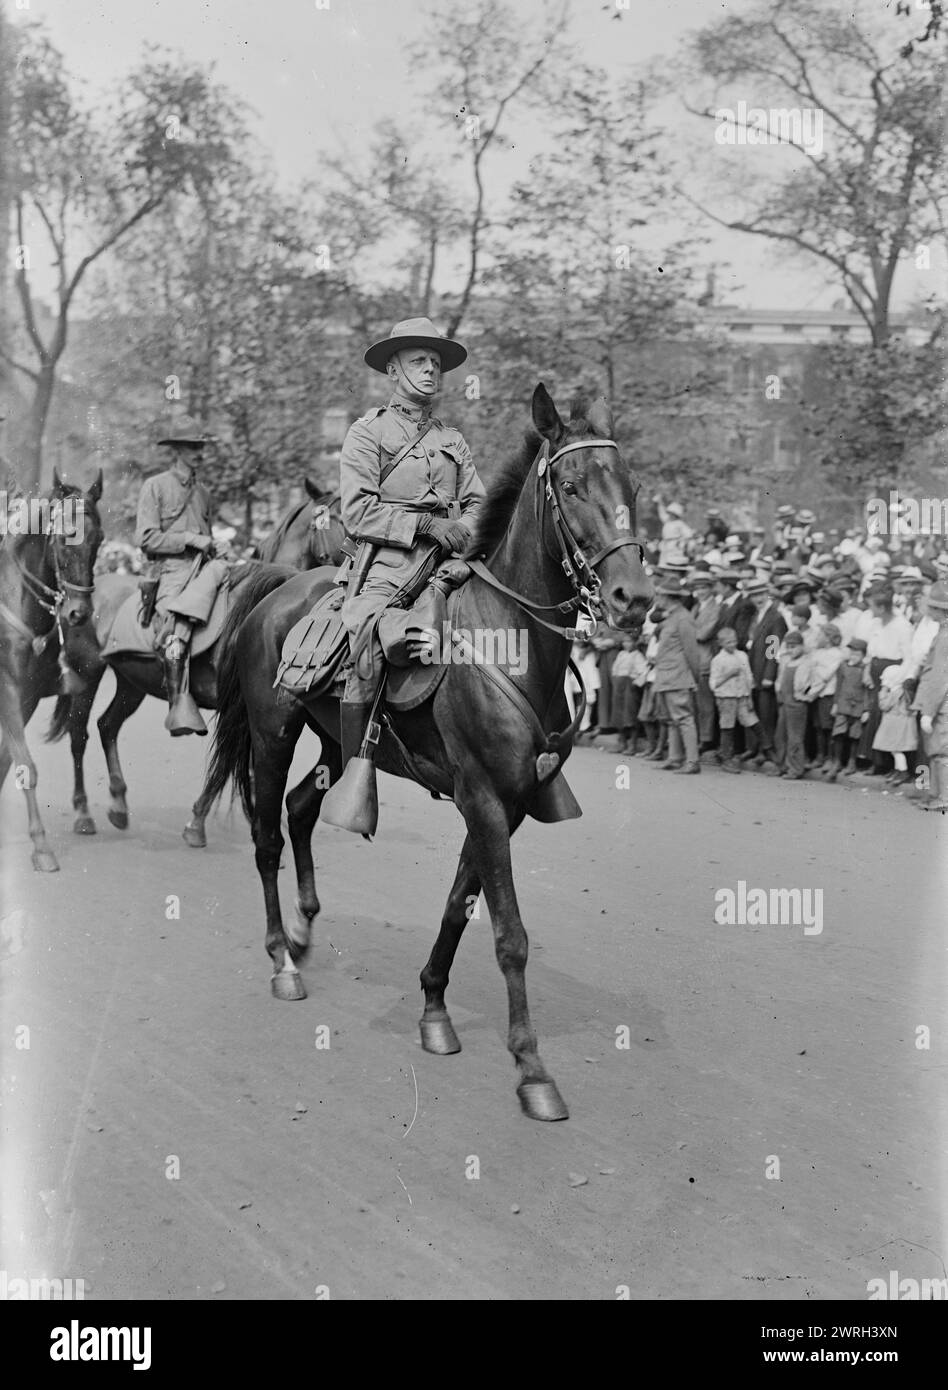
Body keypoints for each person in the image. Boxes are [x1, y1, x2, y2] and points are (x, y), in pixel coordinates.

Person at [325, 316, 486, 828]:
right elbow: (358, 512)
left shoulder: (453, 440)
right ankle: (359, 762)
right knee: (368, 641)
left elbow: (481, 502)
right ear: (393, 369)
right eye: (419, 362)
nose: (431, 372)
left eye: (436, 364)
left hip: (452, 563)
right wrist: (426, 525)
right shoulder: (367, 432)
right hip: (388, 567)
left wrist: (463, 527)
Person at [135, 420, 228, 736]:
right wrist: (190, 539)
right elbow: (147, 538)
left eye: (201, 446)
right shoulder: (155, 486)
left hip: (205, 570)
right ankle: (179, 704)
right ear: (176, 450)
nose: (199, 452)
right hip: (172, 572)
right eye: (192, 446)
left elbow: (207, 537)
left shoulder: (203, 492)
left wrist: (216, 545)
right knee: (175, 634)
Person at [651, 575, 702, 774]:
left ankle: (692, 761)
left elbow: (692, 652)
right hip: (666, 674)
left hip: (677, 675)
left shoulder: (683, 618)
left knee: (683, 718)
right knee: (672, 719)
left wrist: (694, 677)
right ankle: (675, 757)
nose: (657, 598)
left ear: (668, 597)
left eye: (660, 595)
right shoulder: (672, 616)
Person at [910, 581, 948, 812]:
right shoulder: (942, 632)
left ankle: (943, 796)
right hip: (940, 700)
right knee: (936, 750)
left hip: (941, 702)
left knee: (941, 751)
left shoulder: (944, 636)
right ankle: (936, 793)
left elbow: (939, 677)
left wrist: (928, 711)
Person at [744, 576, 787, 767]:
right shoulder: (756, 616)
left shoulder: (775, 617)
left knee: (766, 713)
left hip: (764, 673)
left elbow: (774, 649)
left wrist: (769, 675)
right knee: (755, 711)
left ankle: (767, 750)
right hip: (753, 670)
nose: (758, 598)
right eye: (754, 595)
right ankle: (756, 748)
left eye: (761, 594)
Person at [709, 626, 758, 772]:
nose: (733, 645)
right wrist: (728, 675)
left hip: (742, 695)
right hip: (726, 697)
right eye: (729, 642)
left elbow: (749, 676)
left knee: (753, 722)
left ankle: (765, 750)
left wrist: (750, 695)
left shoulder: (742, 655)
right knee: (727, 727)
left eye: (734, 641)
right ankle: (726, 758)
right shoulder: (718, 660)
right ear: (721, 644)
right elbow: (713, 684)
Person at [829, 637, 870, 779]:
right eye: (852, 653)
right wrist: (835, 703)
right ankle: (837, 761)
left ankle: (851, 762)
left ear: (864, 655)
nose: (853, 656)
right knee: (839, 733)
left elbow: (867, 691)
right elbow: (838, 685)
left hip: (858, 706)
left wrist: (866, 709)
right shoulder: (843, 666)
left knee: (854, 735)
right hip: (843, 704)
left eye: (857, 654)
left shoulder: (865, 669)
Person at [872, 664, 917, 786]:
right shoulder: (902, 691)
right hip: (899, 723)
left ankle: (903, 771)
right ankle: (898, 770)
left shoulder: (895, 692)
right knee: (895, 749)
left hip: (896, 724)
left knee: (896, 749)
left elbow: (884, 706)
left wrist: (882, 692)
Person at [774, 630, 809, 778]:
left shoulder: (806, 662)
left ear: (802, 646)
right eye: (788, 646)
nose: (790, 650)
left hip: (796, 705)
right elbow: (780, 679)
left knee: (795, 738)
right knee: (780, 735)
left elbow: (808, 684)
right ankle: (781, 766)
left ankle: (795, 769)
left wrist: (807, 696)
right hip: (784, 702)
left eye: (794, 646)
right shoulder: (786, 660)